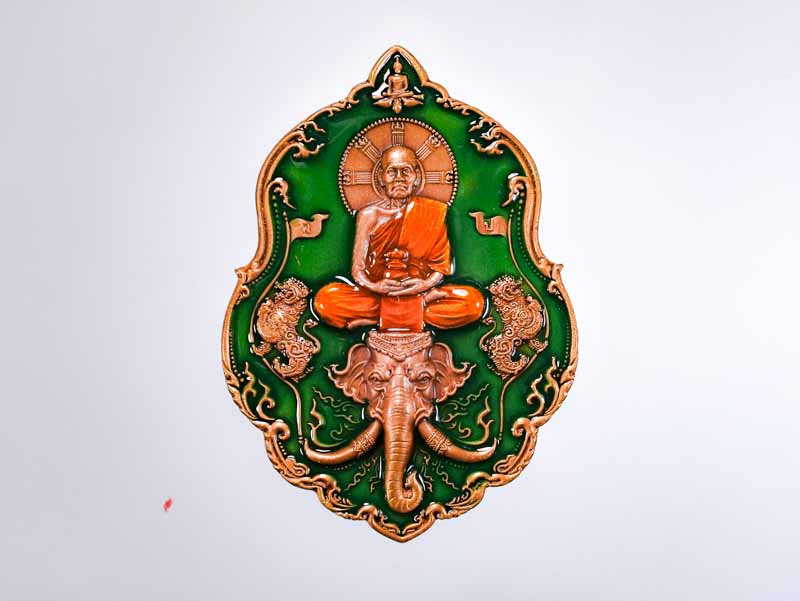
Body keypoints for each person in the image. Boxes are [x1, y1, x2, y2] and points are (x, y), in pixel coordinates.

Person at [314, 145, 484, 332]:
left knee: (473, 303)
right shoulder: (369, 215)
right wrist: (375, 286)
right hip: (379, 293)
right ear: (381, 177)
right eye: (392, 172)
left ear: (416, 177)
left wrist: (425, 284)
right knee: (326, 300)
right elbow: (358, 272)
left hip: (419, 290)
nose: (399, 178)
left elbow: (439, 268)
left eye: (406, 171)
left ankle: (378, 319)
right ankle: (415, 311)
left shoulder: (432, 212)